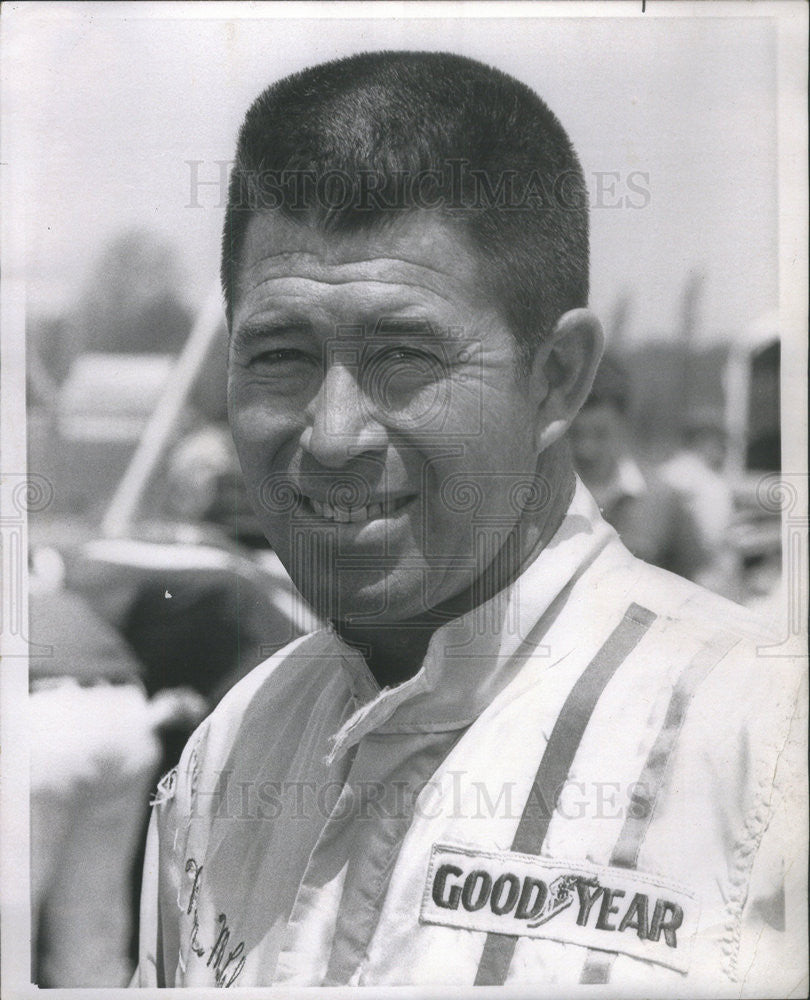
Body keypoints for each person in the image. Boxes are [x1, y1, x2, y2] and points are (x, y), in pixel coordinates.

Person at [134, 52, 805, 994]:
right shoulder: (234, 746)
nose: (332, 436)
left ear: (559, 376)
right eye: (280, 354)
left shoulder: (766, 747)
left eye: (406, 356)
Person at [569, 353, 710, 582]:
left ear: (622, 423)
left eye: (600, 434)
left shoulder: (663, 499)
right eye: (574, 435)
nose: (587, 449)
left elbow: (701, 580)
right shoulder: (543, 501)